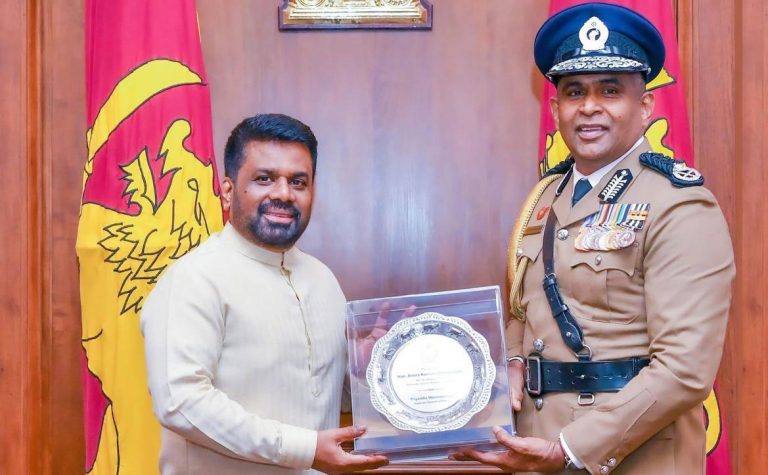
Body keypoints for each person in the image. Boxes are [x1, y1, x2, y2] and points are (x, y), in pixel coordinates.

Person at [454, 3, 735, 474]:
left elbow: (685, 370)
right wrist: (515, 363)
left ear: (645, 106)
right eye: (574, 92)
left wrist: (570, 448)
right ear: (556, 108)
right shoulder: (545, 198)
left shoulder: (678, 204)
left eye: (610, 90)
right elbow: (527, 311)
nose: (588, 107)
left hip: (633, 455)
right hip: (536, 446)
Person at [141, 113, 388, 474]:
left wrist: (363, 370)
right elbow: (180, 402)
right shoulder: (194, 279)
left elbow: (319, 395)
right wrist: (303, 449)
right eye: (264, 179)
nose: (283, 194)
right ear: (228, 191)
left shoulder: (323, 280)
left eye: (298, 182)